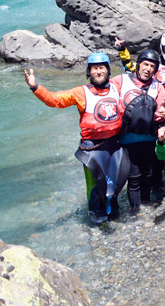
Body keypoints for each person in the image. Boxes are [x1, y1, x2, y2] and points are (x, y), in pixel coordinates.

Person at [24, 53, 129, 225]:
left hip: (114, 145)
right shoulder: (81, 92)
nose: (99, 71)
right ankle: (96, 219)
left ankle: (113, 212)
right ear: (89, 72)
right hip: (91, 149)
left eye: (102, 68)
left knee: (115, 184)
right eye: (95, 68)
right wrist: (35, 87)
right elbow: (55, 100)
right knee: (96, 188)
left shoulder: (116, 88)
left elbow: (133, 79)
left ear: (108, 71)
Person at [113, 49, 165, 213]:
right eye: (145, 64)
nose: (148, 69)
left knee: (149, 174)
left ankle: (146, 200)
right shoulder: (121, 80)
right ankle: (134, 209)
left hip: (149, 139)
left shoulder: (158, 87)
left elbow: (161, 109)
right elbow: (105, 96)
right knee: (134, 176)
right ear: (138, 65)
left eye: (152, 66)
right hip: (127, 140)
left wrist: (162, 116)